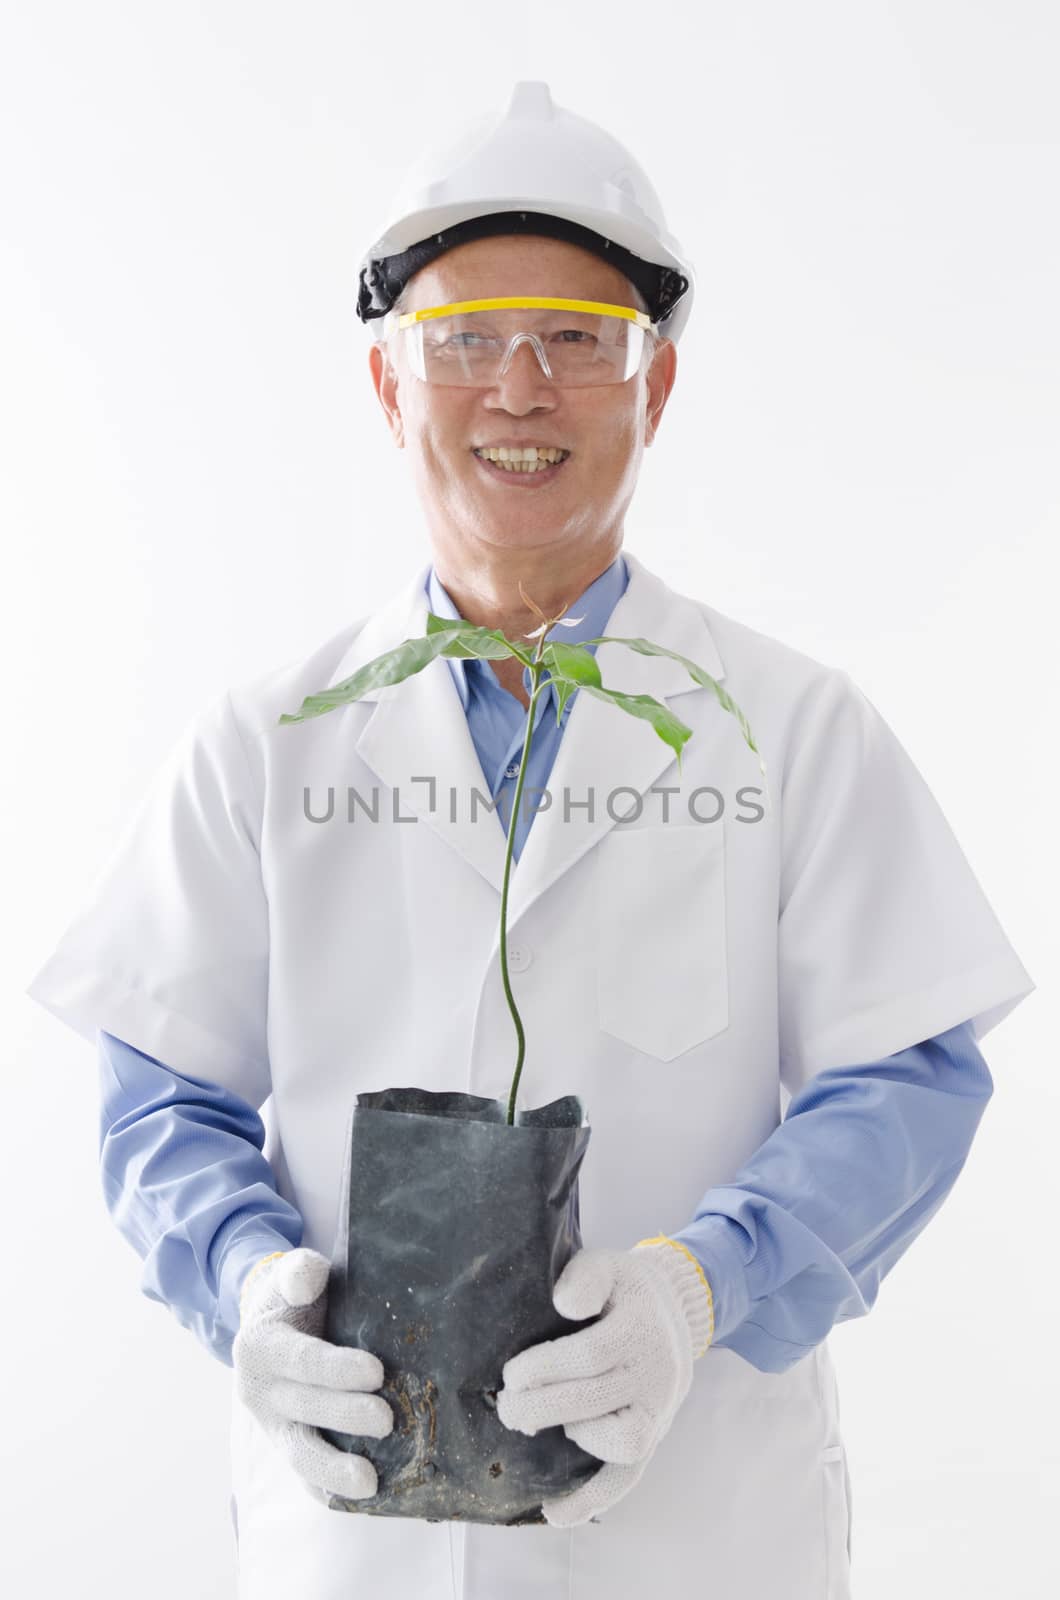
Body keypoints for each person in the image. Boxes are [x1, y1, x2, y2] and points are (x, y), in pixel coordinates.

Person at [25, 81, 1034, 1600]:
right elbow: (159, 1090)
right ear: (387, 388)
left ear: (656, 391)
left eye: (580, 341)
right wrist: (245, 1285)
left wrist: (701, 1291)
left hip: (700, 1539)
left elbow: (907, 1075)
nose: (520, 389)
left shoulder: (793, 727)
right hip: (358, 1544)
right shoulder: (265, 741)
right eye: (465, 343)